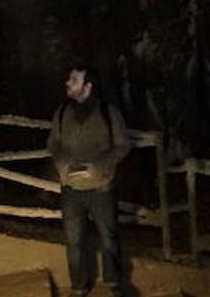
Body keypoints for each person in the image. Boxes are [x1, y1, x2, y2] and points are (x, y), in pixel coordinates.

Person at [49, 63, 136, 297]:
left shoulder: (109, 112)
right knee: (73, 241)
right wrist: (62, 163)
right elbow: (53, 144)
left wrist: (98, 166)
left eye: (74, 80)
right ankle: (78, 287)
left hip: (101, 188)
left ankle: (113, 284)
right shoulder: (62, 112)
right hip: (71, 189)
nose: (68, 83)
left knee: (109, 238)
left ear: (87, 86)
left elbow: (123, 146)